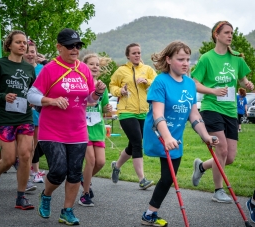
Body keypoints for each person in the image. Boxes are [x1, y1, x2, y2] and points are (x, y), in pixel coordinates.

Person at [27, 28, 106, 225]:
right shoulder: (50, 69)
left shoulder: (84, 69)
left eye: (78, 46)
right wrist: (51, 101)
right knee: (58, 170)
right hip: (51, 129)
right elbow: (31, 95)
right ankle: (46, 195)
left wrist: (97, 93)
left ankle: (67, 211)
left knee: (74, 172)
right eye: (70, 46)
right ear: (59, 47)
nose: (75, 49)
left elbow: (89, 100)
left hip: (78, 130)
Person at [141, 41, 218, 226]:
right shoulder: (161, 81)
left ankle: (149, 214)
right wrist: (167, 137)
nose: (186, 63)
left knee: (169, 177)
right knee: (168, 176)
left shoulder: (190, 83)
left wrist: (205, 136)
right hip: (159, 133)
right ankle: (150, 214)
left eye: (187, 59)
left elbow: (194, 114)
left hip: (175, 136)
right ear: (168, 59)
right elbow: (158, 114)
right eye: (180, 59)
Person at [191, 21, 254, 203]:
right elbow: (195, 83)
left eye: (232, 32)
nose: (230, 35)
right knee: (222, 150)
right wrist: (213, 91)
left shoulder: (237, 58)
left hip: (230, 110)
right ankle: (218, 190)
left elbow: (242, 80)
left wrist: (247, 84)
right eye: (226, 32)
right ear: (216, 35)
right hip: (212, 108)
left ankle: (201, 167)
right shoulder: (206, 58)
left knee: (230, 157)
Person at [0, 30, 36, 210]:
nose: (23, 45)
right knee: (8, 159)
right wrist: (3, 96)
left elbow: (33, 92)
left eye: (25, 43)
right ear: (9, 45)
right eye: (18, 42)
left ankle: (21, 197)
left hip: (25, 117)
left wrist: (33, 101)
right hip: (5, 118)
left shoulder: (30, 68)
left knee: (25, 154)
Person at [109, 43, 156, 189]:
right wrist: (119, 91)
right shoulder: (121, 70)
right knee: (137, 143)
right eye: (134, 53)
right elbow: (112, 85)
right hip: (126, 111)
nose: (137, 55)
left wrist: (147, 81)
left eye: (139, 53)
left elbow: (158, 83)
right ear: (128, 55)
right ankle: (142, 180)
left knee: (132, 144)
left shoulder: (147, 69)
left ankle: (116, 166)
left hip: (143, 112)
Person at [78, 53, 112, 207]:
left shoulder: (102, 86)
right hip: (82, 127)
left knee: (101, 162)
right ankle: (85, 194)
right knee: (90, 160)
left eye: (97, 64)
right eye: (91, 64)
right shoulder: (80, 84)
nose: (95, 67)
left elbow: (104, 108)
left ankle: (84, 179)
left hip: (97, 127)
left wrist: (107, 108)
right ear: (84, 66)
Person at [23, 39, 45, 183]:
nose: (30, 55)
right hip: (22, 111)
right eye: (27, 52)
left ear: (36, 54)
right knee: (26, 147)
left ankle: (32, 172)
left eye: (32, 52)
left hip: (38, 111)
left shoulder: (43, 69)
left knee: (34, 145)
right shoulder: (19, 69)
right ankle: (29, 174)